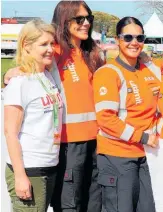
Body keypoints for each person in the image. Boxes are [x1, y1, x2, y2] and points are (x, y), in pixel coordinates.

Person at [4, 1, 104, 211]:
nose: (86, 23)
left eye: (89, 18)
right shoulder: (55, 50)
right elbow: (29, 66)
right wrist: (10, 74)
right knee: (69, 204)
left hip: (95, 142)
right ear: (64, 20)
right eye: (79, 19)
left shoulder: (93, 52)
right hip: (69, 144)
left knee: (94, 202)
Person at [93, 16, 159, 212]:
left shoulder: (150, 69)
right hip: (118, 155)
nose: (134, 43)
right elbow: (106, 119)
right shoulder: (108, 73)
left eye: (140, 38)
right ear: (117, 39)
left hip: (145, 155)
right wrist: (143, 137)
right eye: (128, 37)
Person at [3, 20, 63, 212]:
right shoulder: (19, 82)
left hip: (50, 164)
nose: (50, 50)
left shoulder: (49, 76)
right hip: (29, 168)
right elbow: (10, 133)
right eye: (43, 44)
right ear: (26, 47)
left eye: (51, 44)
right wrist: (20, 176)